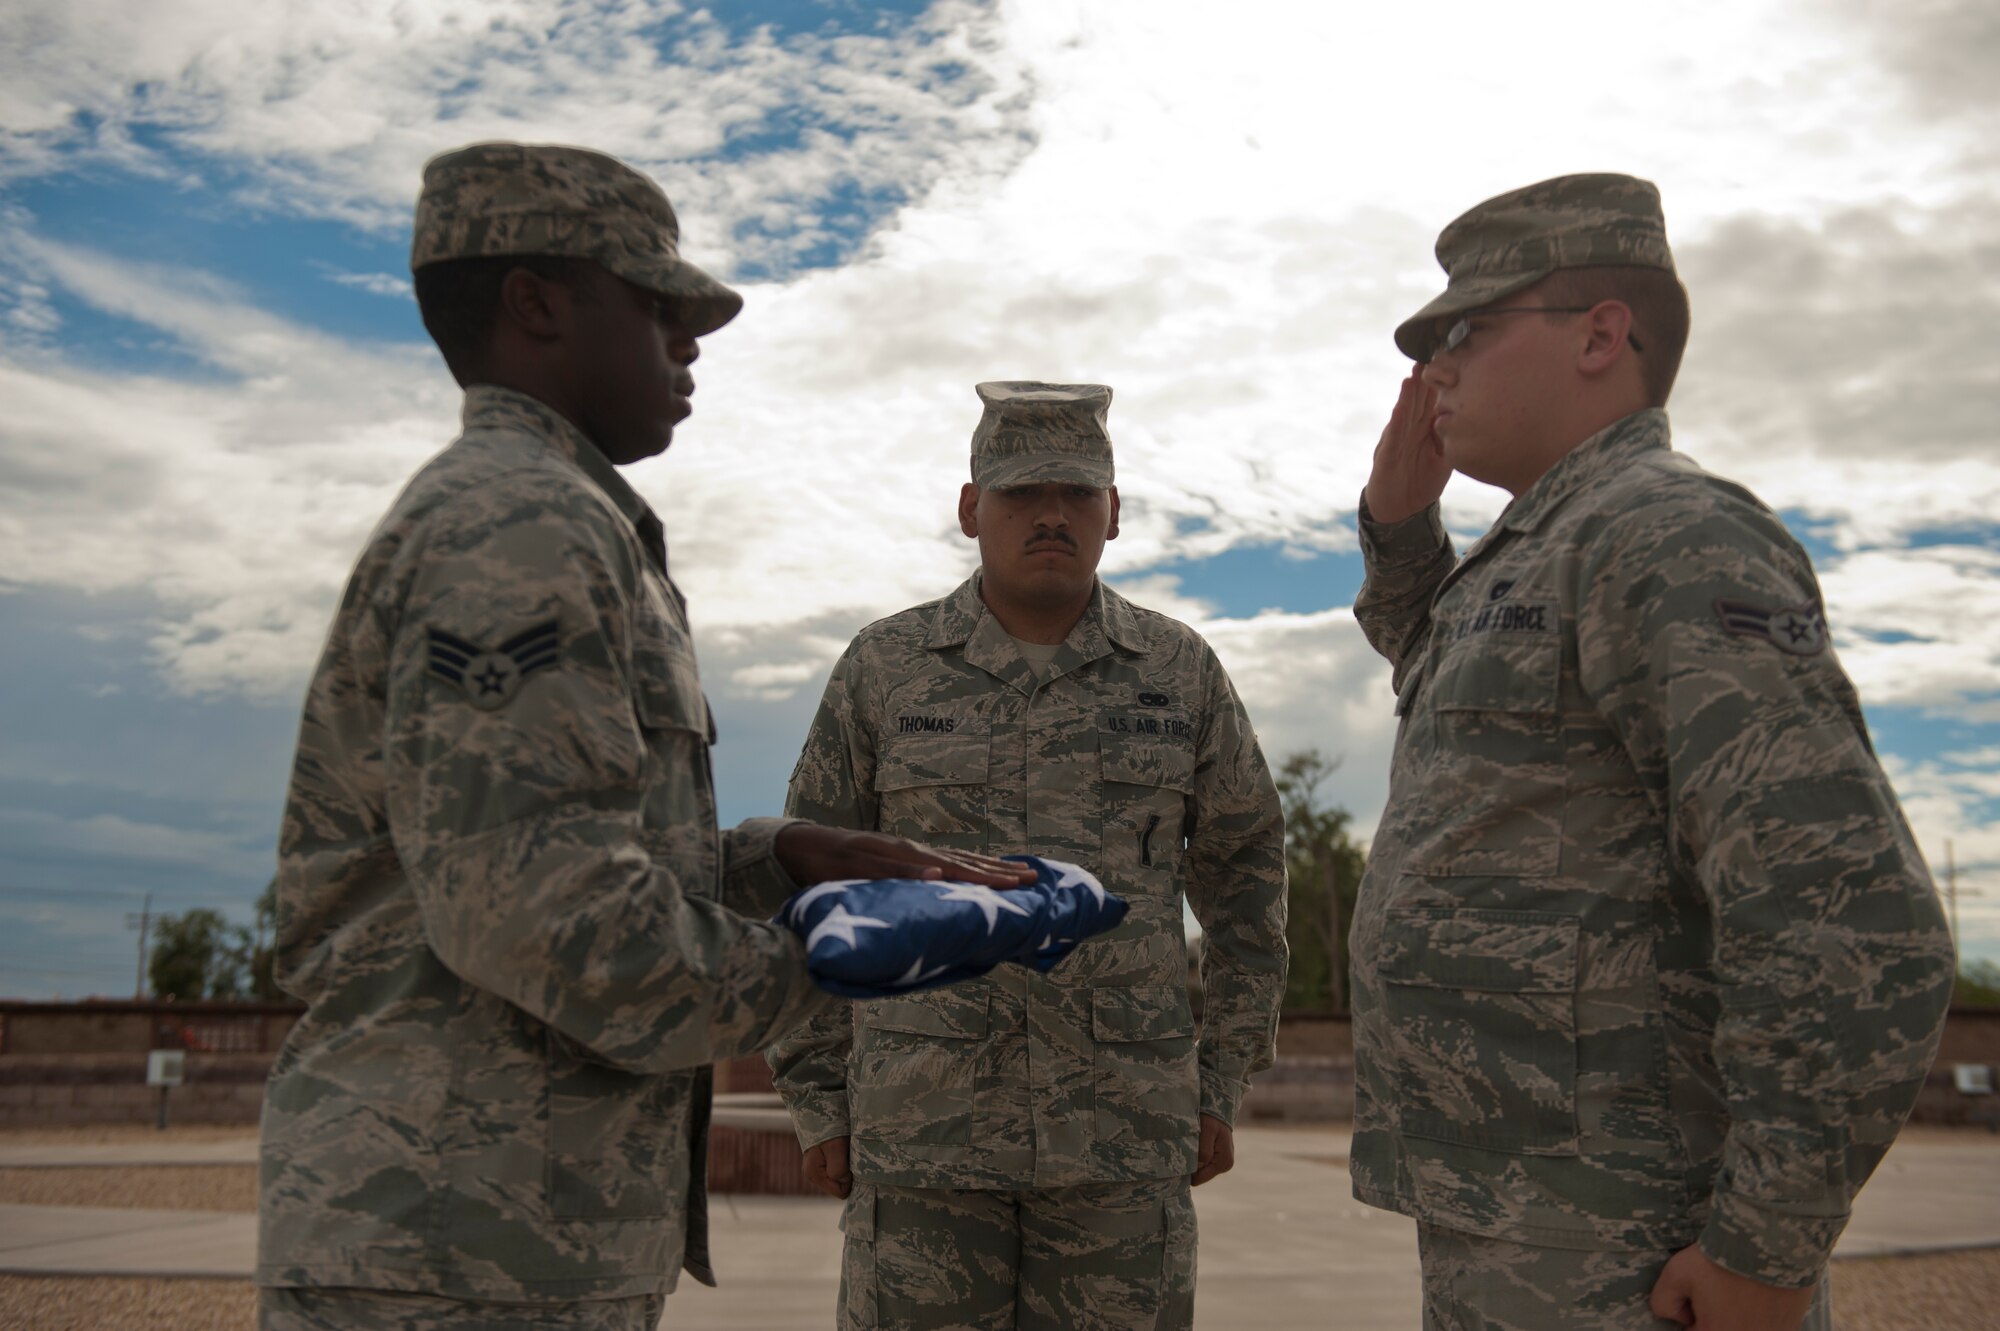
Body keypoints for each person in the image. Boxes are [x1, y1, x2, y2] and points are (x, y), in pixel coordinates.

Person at [256, 141, 1030, 1331]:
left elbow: (534, 850)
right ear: (535, 304)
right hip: (454, 1248)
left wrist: (774, 859)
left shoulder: (561, 520)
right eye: (657, 303)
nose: (691, 339)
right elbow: (543, 911)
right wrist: (825, 963)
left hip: (508, 1233)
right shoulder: (518, 526)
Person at [1347, 172, 1956, 1331]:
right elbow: (1440, 673)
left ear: (1599, 334)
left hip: (1623, 1237)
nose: (1437, 367)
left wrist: (1761, 1248)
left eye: (1464, 330)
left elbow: (1843, 911)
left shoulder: (1665, 534)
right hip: (1519, 1212)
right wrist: (1396, 530)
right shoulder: (1545, 543)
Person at [768, 382, 1289, 1330]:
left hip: (1121, 1154)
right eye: (1019, 492)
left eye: (1078, 493)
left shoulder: (1180, 674)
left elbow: (1249, 889)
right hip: (926, 1142)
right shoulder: (887, 669)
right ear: (971, 509)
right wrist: (818, 1096)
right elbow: (805, 887)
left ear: (1114, 513)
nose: (1051, 514)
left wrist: (1219, 1082)